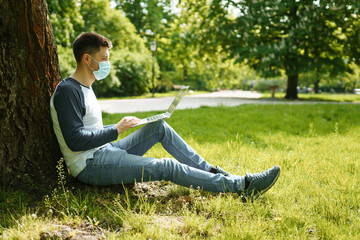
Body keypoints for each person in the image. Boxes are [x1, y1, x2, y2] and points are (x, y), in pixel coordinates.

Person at [50, 32, 280, 201]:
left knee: (158, 126)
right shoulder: (68, 90)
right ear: (87, 59)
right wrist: (116, 129)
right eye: (104, 58)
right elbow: (75, 140)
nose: (108, 64)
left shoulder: (85, 88)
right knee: (167, 167)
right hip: (90, 166)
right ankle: (242, 185)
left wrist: (123, 125)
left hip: (105, 152)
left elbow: (86, 129)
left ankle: (213, 173)